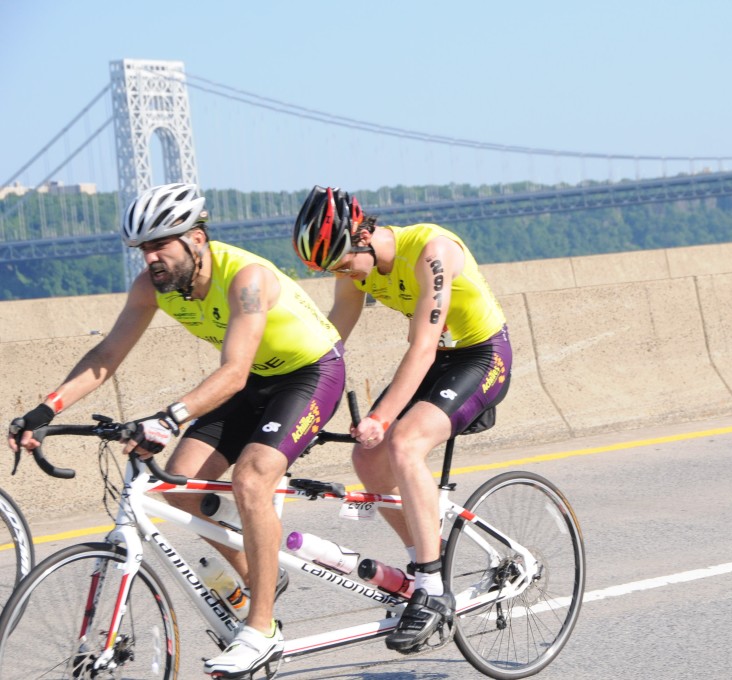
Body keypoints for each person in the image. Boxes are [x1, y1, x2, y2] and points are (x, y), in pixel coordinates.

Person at [8, 183, 346, 678]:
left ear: (197, 239)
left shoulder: (245, 278)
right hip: (252, 382)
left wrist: (169, 418)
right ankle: (260, 574)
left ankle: (262, 628)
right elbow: (106, 357)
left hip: (309, 375)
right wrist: (44, 410)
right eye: (144, 248)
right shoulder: (152, 288)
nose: (151, 258)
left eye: (161, 244)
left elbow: (232, 372)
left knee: (252, 478)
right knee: (178, 483)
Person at [292, 186, 512, 653]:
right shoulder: (354, 267)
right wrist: (300, 403)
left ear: (364, 236)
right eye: (331, 270)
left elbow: (423, 346)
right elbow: (330, 340)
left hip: (480, 355)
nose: (342, 274)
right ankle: (421, 561)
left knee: (403, 444)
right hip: (438, 361)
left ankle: (432, 590)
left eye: (344, 264)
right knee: (369, 461)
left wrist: (381, 415)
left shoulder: (431, 251)